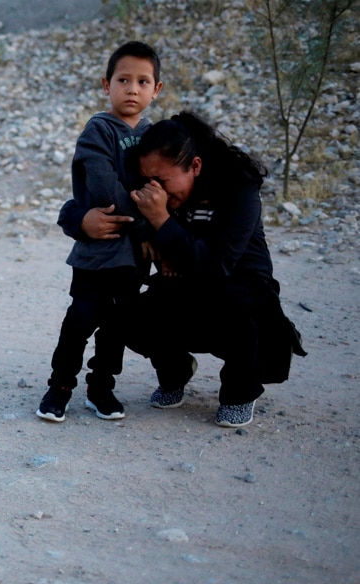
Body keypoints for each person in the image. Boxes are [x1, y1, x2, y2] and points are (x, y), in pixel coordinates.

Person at [123, 111, 305, 427]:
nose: (157, 193)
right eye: (149, 182)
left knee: (241, 313)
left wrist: (161, 222)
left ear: (195, 166)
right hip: (188, 285)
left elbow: (217, 266)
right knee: (129, 313)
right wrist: (144, 231)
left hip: (241, 291)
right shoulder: (161, 194)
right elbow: (125, 207)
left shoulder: (239, 188)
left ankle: (240, 391)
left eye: (163, 181)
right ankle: (176, 372)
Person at [36, 41, 163, 423]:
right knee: (80, 319)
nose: (132, 89)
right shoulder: (98, 130)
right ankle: (59, 387)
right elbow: (106, 188)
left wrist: (155, 231)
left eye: (143, 82)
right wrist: (147, 221)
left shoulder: (156, 135)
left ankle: (101, 389)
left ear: (156, 90)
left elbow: (162, 187)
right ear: (106, 85)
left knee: (116, 327)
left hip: (133, 257)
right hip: (98, 249)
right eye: (124, 80)